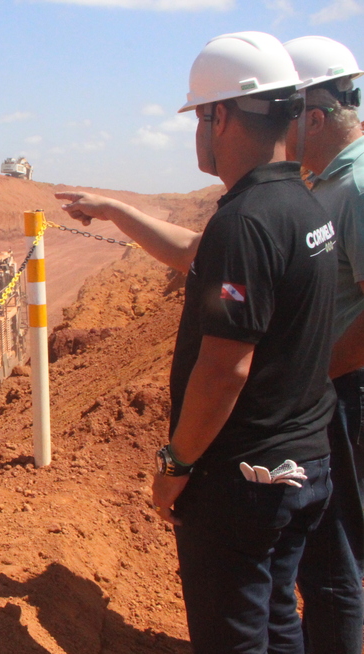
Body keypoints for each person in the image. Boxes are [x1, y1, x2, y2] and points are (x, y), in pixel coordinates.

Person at [54, 31, 338, 653]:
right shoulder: (301, 207)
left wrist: (175, 463)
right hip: (303, 465)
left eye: (198, 117)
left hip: (244, 478)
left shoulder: (248, 221)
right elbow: (194, 255)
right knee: (276, 622)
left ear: (221, 115)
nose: (196, 134)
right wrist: (116, 211)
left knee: (232, 637)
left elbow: (224, 369)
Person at [284, 34, 364, 654]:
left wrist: (309, 380)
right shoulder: (331, 184)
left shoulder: (356, 188)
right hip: (335, 389)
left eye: (287, 116)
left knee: (338, 557)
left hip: (348, 393)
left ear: (314, 116)